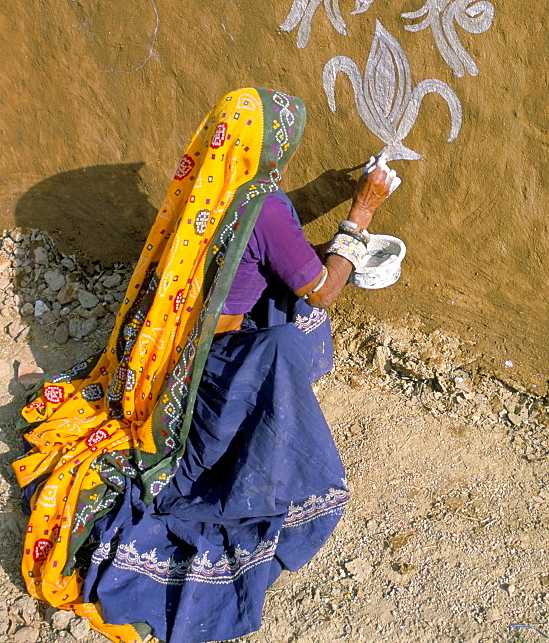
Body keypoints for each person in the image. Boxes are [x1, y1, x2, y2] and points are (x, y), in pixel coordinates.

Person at [13, 87, 396, 643]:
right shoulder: (264, 206)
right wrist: (360, 214)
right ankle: (270, 441)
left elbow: (258, 248)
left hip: (166, 352)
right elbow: (321, 292)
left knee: (279, 305)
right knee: (289, 337)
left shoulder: (205, 190)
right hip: (208, 371)